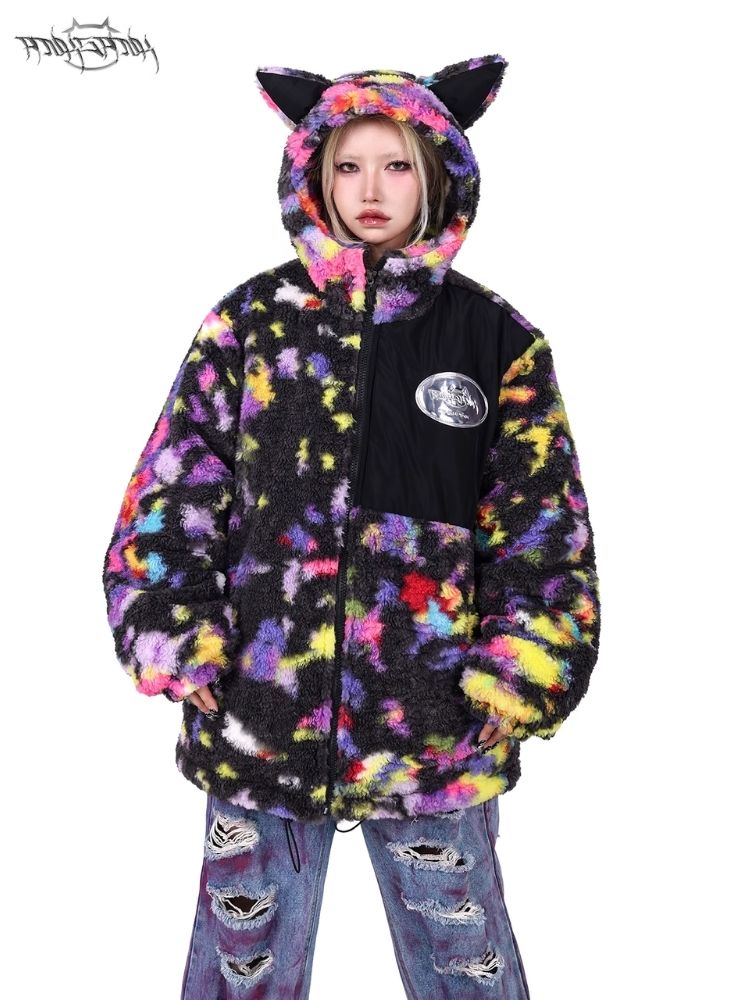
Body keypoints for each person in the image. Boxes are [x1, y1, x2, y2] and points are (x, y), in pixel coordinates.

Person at [102, 54, 601, 999]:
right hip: (259, 714)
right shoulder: (250, 325)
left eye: (398, 165)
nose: (372, 190)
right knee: (241, 965)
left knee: (465, 960)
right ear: (313, 176)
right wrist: (181, 639)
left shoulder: (496, 342)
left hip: (434, 728)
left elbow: (543, 528)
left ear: (440, 174)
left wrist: (521, 668)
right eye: (349, 166)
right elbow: (171, 495)